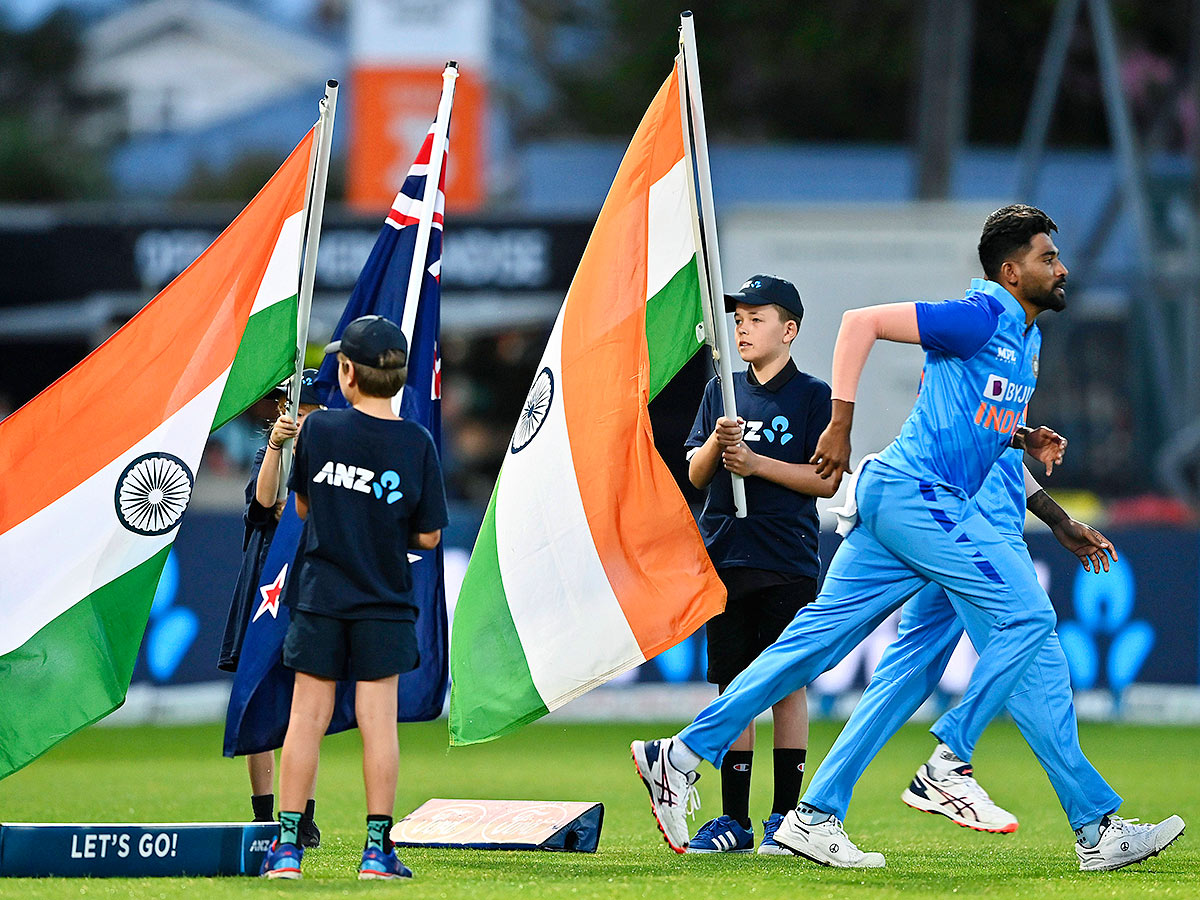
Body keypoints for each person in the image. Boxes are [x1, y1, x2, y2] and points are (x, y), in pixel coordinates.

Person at [632, 204, 1073, 862]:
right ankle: (947, 765)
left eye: (756, 317)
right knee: (1025, 615)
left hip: (837, 530)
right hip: (895, 507)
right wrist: (834, 425)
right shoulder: (979, 317)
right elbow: (860, 326)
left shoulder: (1018, 341)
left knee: (810, 652)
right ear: (1012, 272)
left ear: (788, 329)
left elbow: (933, 431)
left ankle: (712, 766)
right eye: (1047, 257)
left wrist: (1019, 437)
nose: (1061, 268)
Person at [797, 449, 1185, 871]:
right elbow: (985, 431)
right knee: (1040, 674)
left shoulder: (980, 392)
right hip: (983, 535)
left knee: (906, 673)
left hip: (943, 521)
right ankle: (1096, 830)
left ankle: (814, 814)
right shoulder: (988, 383)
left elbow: (997, 446)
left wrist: (1056, 518)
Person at [260, 315, 449, 880]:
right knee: (378, 722)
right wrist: (384, 521)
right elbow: (431, 535)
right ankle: (376, 851)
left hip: (321, 595)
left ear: (346, 373)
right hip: (384, 600)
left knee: (305, 719)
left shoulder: (320, 433)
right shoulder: (416, 441)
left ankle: (287, 848)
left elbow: (300, 508)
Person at [681, 274, 837, 854]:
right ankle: (733, 820)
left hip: (784, 558)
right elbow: (695, 477)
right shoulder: (720, 392)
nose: (743, 326)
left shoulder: (812, 396)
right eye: (738, 317)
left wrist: (755, 461)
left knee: (785, 685)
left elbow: (824, 478)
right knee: (733, 685)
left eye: (757, 316)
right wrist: (715, 448)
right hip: (724, 555)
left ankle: (788, 816)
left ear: (789, 329)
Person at [217, 369, 324, 845]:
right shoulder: (270, 455)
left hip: (309, 587)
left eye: (306, 409)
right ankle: (263, 814)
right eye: (291, 408)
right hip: (266, 585)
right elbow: (263, 506)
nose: (296, 417)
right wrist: (279, 450)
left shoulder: (332, 464)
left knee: (308, 701)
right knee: (257, 695)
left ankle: (302, 813)